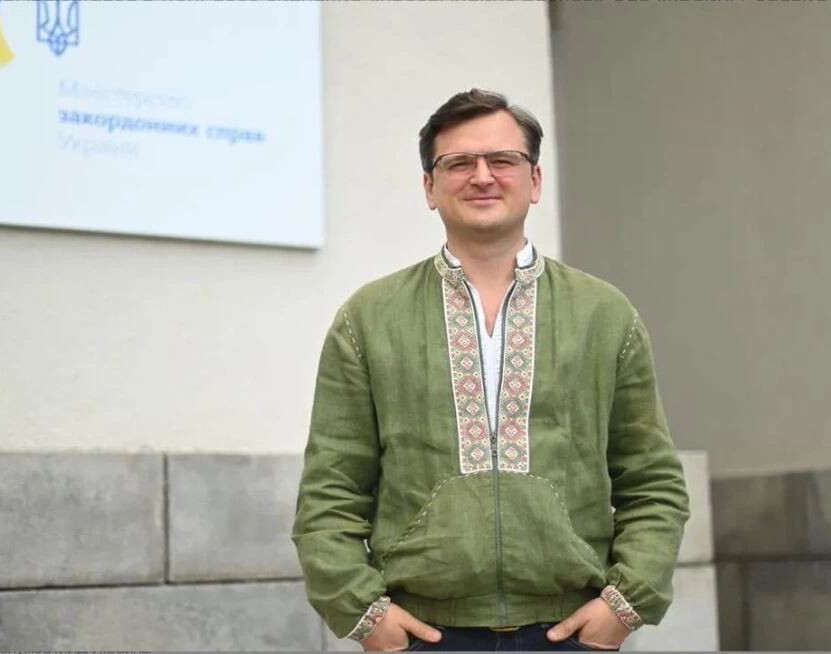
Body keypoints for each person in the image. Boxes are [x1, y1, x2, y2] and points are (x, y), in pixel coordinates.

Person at [292, 88, 689, 652]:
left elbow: (651, 480)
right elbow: (331, 488)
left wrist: (623, 607)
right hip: (423, 634)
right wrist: (363, 613)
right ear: (429, 187)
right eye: (459, 163)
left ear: (535, 180)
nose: (482, 176)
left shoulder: (604, 314)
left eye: (502, 160)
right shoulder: (370, 318)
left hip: (569, 631)